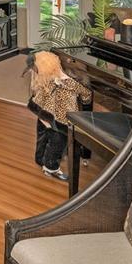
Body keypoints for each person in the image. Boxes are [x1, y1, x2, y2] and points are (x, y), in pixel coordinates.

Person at [25, 51, 92, 181]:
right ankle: (50, 167)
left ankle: (40, 159)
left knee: (43, 135)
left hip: (44, 111)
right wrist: (85, 103)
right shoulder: (72, 82)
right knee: (58, 141)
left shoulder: (50, 79)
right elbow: (86, 94)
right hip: (60, 117)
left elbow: (39, 95)